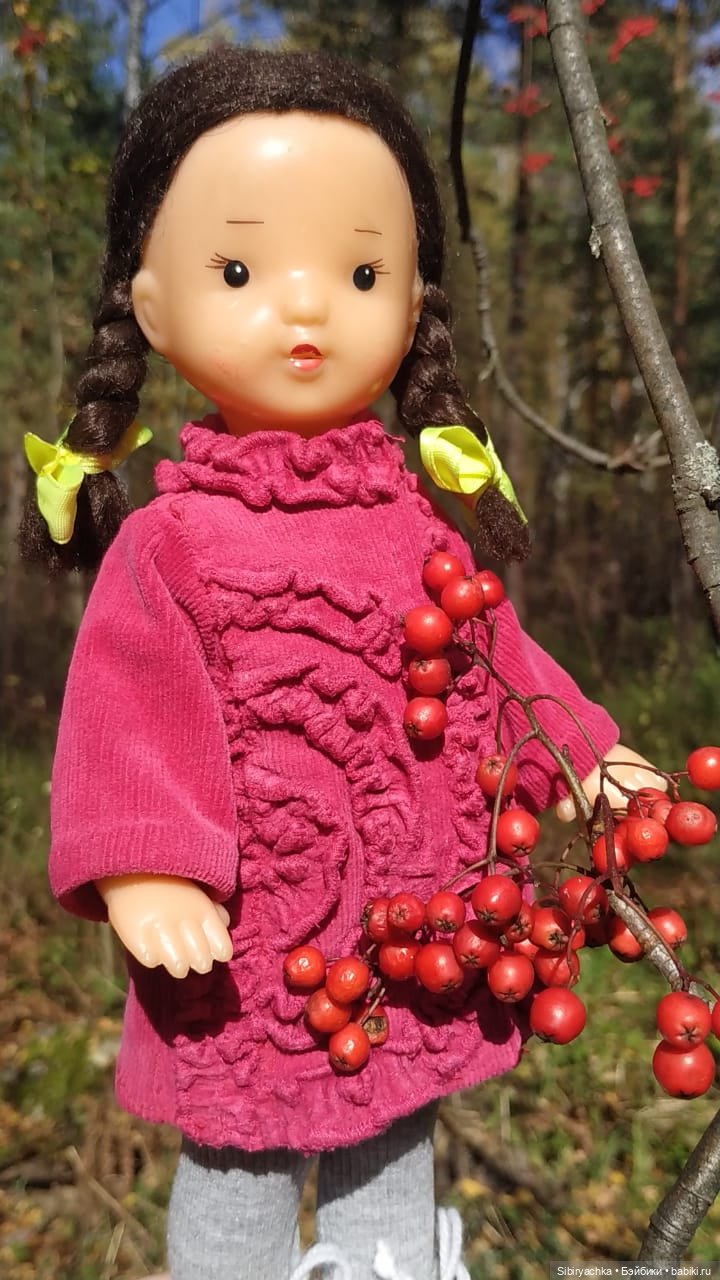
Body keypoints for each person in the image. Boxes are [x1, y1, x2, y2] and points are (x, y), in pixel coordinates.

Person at [21, 46, 657, 1280]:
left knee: (393, 1162)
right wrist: (145, 866)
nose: (306, 309)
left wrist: (583, 755)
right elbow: (125, 714)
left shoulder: (419, 524)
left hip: (413, 931)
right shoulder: (170, 543)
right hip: (245, 945)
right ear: (151, 305)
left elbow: (492, 658)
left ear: (412, 304)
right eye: (240, 270)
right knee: (237, 1175)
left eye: (361, 272)